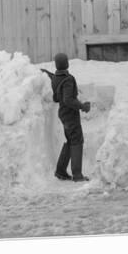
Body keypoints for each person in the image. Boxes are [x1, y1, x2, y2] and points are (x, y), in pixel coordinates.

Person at [49, 53, 91, 182]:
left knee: (70, 140)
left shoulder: (56, 78)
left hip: (63, 114)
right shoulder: (67, 79)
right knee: (77, 140)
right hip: (70, 114)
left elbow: (56, 98)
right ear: (66, 63)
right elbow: (68, 99)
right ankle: (77, 175)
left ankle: (61, 171)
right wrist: (82, 106)